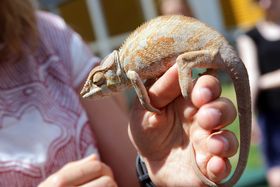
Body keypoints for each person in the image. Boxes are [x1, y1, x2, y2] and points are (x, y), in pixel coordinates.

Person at [1, 0, 239, 186]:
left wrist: (153, 174)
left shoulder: (50, 38)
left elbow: (132, 175)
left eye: (97, 80)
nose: (92, 89)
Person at [236, 0, 280, 186]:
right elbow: (251, 77)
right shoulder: (249, 36)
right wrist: (249, 116)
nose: (267, 3)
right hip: (272, 114)